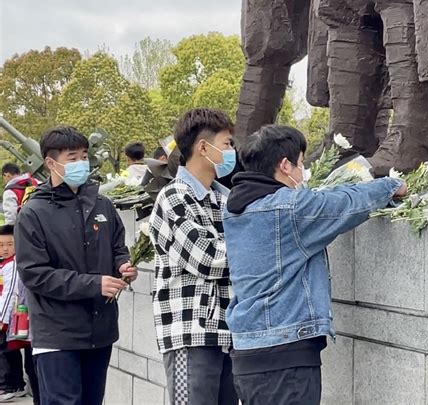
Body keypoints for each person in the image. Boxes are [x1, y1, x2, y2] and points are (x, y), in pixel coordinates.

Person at [223, 125, 407, 405]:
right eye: (299, 164)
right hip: (284, 355)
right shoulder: (288, 208)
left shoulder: (237, 208)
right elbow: (345, 204)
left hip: (250, 352)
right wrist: (392, 186)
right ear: (284, 165)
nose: (302, 173)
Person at [14, 126, 137, 405]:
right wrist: (95, 284)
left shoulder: (103, 205)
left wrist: (124, 266)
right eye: (72, 158)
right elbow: (35, 274)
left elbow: (118, 247)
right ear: (50, 162)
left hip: (100, 330)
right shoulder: (34, 213)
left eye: (84, 156)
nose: (81, 163)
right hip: (57, 333)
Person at [149, 108, 239, 405]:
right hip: (192, 332)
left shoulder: (224, 197)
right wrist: (251, 248)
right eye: (227, 144)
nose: (231, 152)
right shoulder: (174, 197)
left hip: (228, 332)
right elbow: (208, 258)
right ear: (203, 147)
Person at [0, 225, 39, 404]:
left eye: (9, 244)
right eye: (1, 245)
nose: (5, 248)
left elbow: (10, 293)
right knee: (13, 352)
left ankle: (10, 385)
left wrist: (1, 319)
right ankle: (15, 384)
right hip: (12, 317)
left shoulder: (14, 264)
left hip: (13, 317)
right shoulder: (5, 263)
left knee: (7, 353)